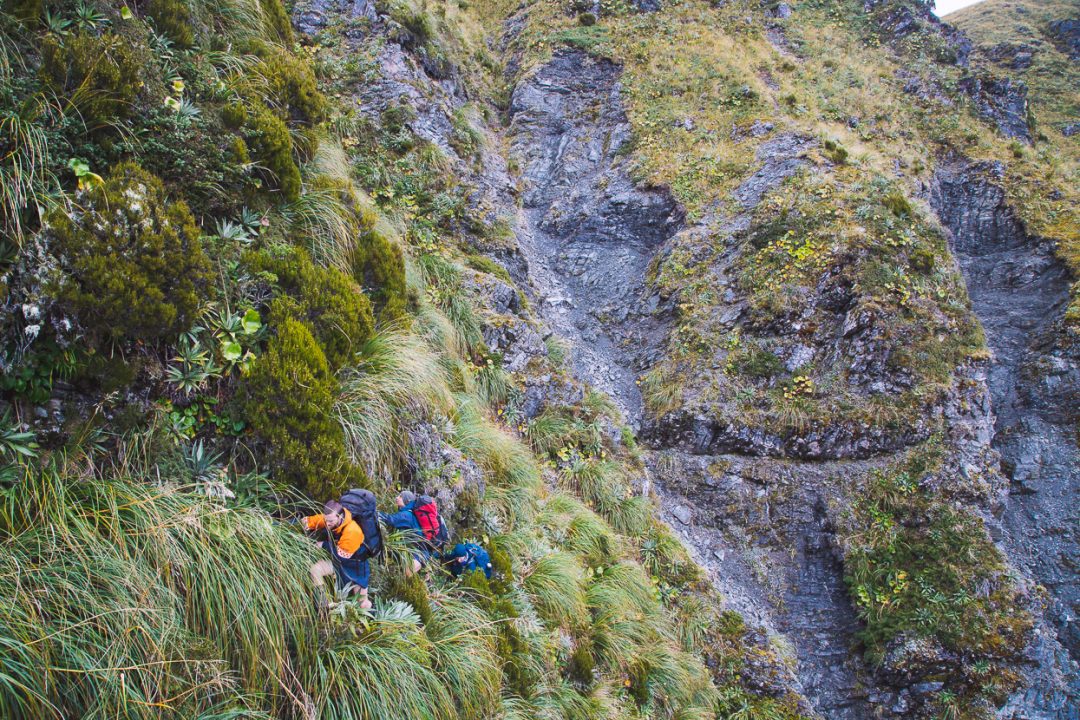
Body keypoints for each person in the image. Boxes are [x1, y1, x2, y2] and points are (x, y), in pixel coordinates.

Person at [302, 499, 372, 609]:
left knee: (362, 603)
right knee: (315, 570)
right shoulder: (330, 517)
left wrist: (323, 545)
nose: (327, 523)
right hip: (340, 562)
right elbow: (310, 521)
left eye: (330, 521)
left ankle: (373, 620)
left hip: (357, 566)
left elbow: (341, 555)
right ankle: (323, 606)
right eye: (326, 520)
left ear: (340, 517)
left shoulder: (352, 531)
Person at [380, 490, 425, 576]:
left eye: (400, 496)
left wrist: (373, 513)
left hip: (417, 552)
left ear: (406, 500)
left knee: (406, 573)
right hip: (417, 550)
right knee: (407, 574)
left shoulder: (406, 515)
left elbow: (390, 520)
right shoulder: (408, 513)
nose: (397, 498)